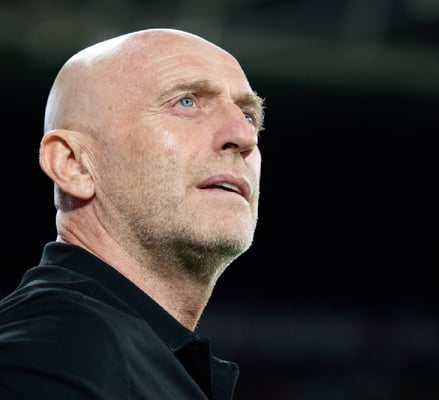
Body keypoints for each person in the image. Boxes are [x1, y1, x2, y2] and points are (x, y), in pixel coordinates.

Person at [0, 27, 265, 399]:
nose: (245, 136)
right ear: (73, 164)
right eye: (187, 102)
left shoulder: (109, 352)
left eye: (249, 116)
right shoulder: (52, 354)